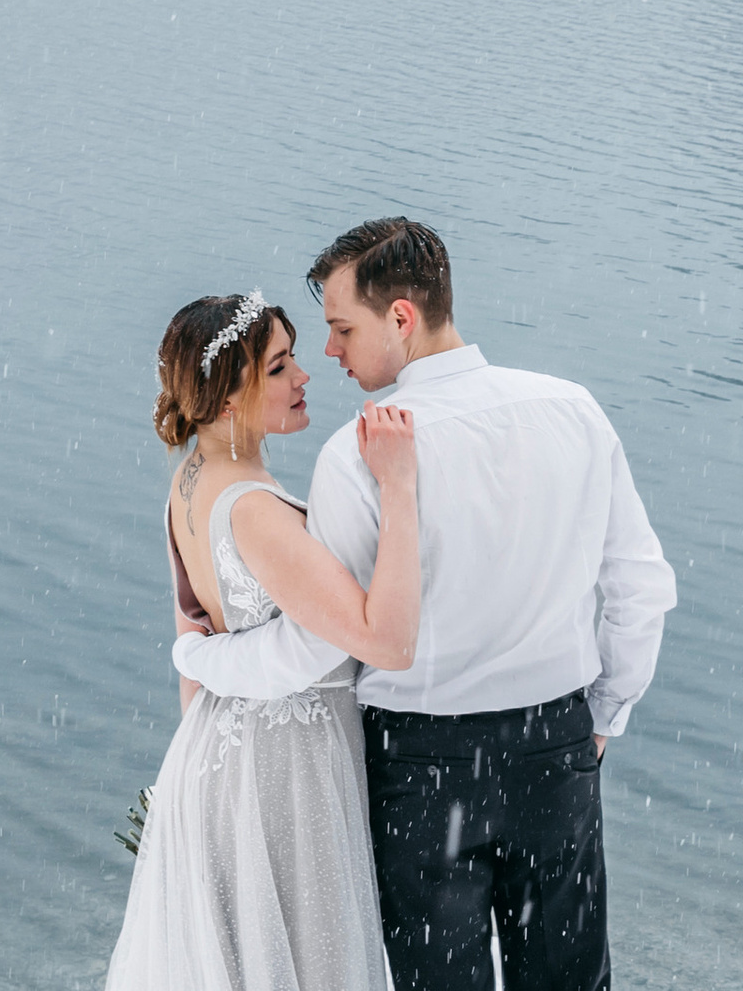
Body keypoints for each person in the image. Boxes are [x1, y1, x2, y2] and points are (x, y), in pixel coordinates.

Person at [175, 219, 676, 991]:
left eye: (342, 328)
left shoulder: (356, 458)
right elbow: (640, 587)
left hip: (421, 767)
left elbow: (325, 643)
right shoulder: (573, 410)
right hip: (556, 749)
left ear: (400, 319)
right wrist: (603, 718)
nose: (332, 352)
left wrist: (200, 653)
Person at [106, 287, 420, 991]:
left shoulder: (189, 482)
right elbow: (383, 641)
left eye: (296, 358)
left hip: (214, 754)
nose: (305, 377)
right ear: (227, 397)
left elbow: (189, 628)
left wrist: (208, 775)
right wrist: (399, 488)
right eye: (279, 368)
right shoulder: (254, 511)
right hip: (286, 769)